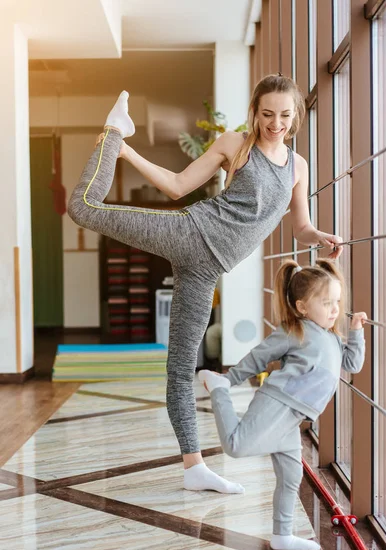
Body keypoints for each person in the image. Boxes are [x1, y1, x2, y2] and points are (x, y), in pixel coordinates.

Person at [68, 74, 343, 495]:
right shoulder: (236, 145)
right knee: (83, 209)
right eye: (267, 114)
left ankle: (193, 467)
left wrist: (321, 237)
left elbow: (300, 226)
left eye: (285, 115)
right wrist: (126, 153)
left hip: (206, 270)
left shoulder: (298, 167)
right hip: (191, 232)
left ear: (296, 116)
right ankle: (113, 130)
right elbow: (178, 186)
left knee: (182, 369)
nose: (276, 123)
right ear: (255, 112)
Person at [198, 258, 366, 550]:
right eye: (327, 303)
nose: (335, 309)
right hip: (276, 403)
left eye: (337, 302)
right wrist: (229, 380)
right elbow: (259, 356)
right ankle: (218, 389)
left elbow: (353, 363)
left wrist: (356, 331)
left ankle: (282, 535)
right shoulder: (296, 330)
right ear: (303, 307)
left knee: (291, 477)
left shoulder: (333, 339)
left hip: (294, 417)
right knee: (237, 447)